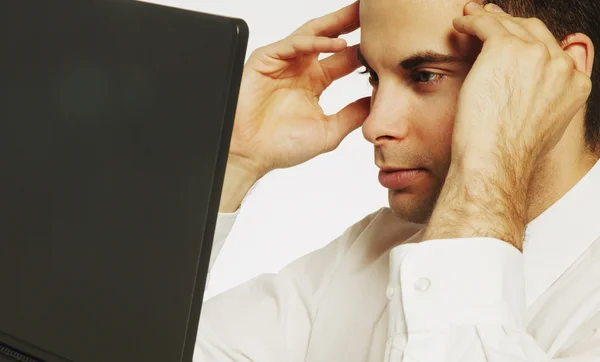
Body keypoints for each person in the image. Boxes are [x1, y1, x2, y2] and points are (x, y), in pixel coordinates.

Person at [197, 0, 600, 360]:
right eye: (372, 75)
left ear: (560, 70)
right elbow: (145, 345)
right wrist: (233, 161)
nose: (375, 124)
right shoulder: (369, 252)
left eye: (425, 75)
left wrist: (487, 172)